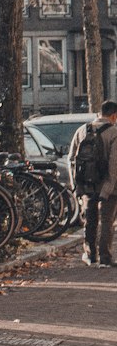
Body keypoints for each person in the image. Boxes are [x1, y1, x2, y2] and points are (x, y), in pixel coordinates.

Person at [67, 102, 117, 267]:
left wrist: (76, 185)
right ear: (114, 115)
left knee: (90, 219)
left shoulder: (82, 130)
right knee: (107, 220)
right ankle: (105, 257)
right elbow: (114, 164)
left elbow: (71, 158)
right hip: (108, 186)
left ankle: (89, 255)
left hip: (87, 184)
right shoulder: (114, 133)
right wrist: (108, 189)